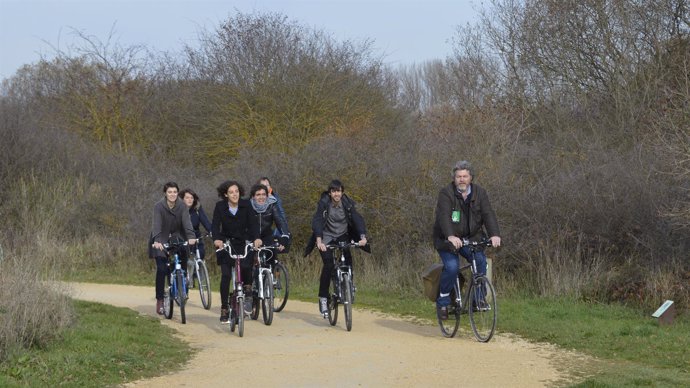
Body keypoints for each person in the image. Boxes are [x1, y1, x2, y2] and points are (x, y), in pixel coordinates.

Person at [432, 161, 501, 320]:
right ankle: (443, 302)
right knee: (452, 267)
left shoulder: (479, 193)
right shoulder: (446, 193)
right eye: (458, 177)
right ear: (454, 178)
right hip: (446, 240)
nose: (462, 179)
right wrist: (450, 236)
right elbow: (443, 217)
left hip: (471, 238)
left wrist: (494, 234)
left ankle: (478, 300)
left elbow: (488, 214)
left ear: (471, 178)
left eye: (465, 176)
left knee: (480, 261)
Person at [304, 179, 369, 317]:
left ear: (342, 192)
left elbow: (357, 219)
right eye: (333, 191)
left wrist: (362, 237)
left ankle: (349, 285)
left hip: (342, 235)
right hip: (326, 236)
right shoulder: (324, 203)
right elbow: (317, 220)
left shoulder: (347, 203)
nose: (336, 194)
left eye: (338, 191)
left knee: (348, 258)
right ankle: (323, 298)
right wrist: (319, 240)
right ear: (330, 193)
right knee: (328, 264)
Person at [151, 182, 197, 315]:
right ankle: (160, 300)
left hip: (178, 238)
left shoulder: (182, 206)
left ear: (178, 193)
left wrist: (191, 236)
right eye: (170, 192)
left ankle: (182, 289)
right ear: (165, 193)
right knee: (161, 269)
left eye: (175, 192)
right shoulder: (158, 206)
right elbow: (156, 224)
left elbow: (187, 223)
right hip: (160, 239)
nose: (172, 194)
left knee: (182, 263)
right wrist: (157, 240)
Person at [211, 180, 251, 324]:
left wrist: (256, 239)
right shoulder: (220, 207)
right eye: (231, 192)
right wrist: (216, 239)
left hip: (242, 242)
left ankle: (248, 293)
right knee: (226, 275)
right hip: (225, 243)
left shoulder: (246, 205)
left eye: (236, 191)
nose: (234, 194)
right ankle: (224, 308)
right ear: (225, 195)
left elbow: (252, 224)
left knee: (247, 266)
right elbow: (215, 226)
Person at [180, 188, 212, 287]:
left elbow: (205, 221)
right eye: (187, 198)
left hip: (196, 237)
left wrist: (212, 232)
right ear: (182, 199)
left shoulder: (197, 209)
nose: (190, 200)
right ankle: (186, 275)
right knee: (184, 257)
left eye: (192, 198)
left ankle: (197, 274)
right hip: (182, 238)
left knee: (201, 253)